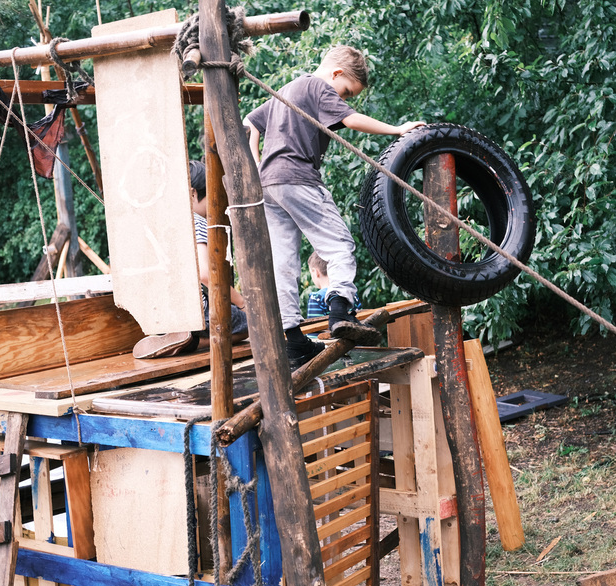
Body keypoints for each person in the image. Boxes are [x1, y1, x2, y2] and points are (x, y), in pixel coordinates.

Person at [244, 44, 425, 368]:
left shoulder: (286, 89)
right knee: (338, 245)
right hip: (298, 178)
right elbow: (351, 120)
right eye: (346, 91)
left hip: (269, 186)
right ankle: (340, 309)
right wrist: (397, 130)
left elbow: (251, 123)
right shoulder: (317, 85)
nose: (344, 99)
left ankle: (294, 341)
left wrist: (258, 166)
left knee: (284, 262)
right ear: (336, 74)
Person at [133, 160, 249, 358]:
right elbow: (205, 273)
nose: (217, 204)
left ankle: (175, 337)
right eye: (213, 197)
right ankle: (192, 341)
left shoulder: (163, 224)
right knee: (249, 324)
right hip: (194, 313)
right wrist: (241, 303)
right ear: (193, 194)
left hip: (159, 311)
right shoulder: (197, 222)